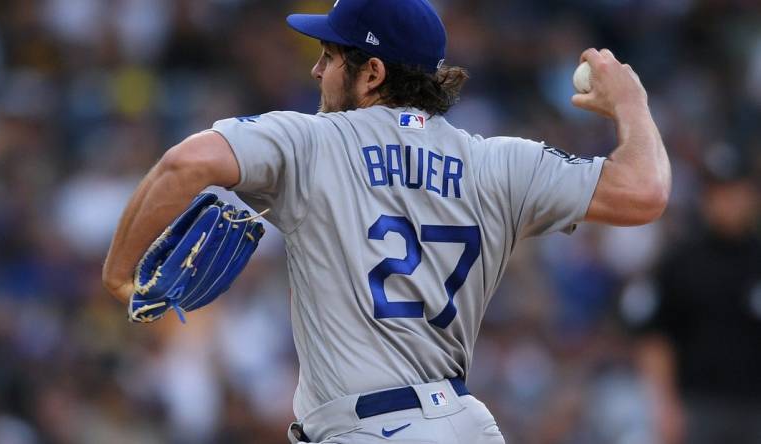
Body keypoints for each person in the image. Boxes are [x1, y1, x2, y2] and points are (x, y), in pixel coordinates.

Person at [102, 0, 670, 442]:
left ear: (372, 73)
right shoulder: (500, 161)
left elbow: (186, 162)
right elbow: (643, 192)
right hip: (466, 425)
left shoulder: (313, 141)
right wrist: (632, 104)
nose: (317, 69)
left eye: (331, 55)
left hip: (369, 429)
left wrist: (119, 272)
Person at [634, 168, 761, 444]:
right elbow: (656, 338)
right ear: (705, 199)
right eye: (720, 193)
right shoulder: (680, 262)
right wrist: (664, 405)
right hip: (697, 406)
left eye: (737, 192)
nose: (730, 202)